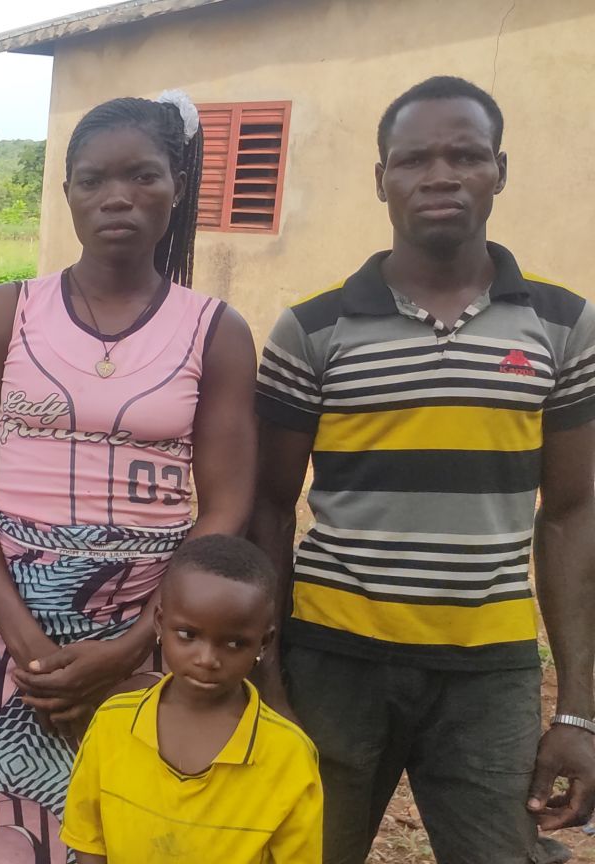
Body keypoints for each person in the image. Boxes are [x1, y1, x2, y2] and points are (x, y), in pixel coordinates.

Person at [250, 75, 595, 864]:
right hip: (333, 662)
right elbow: (267, 507)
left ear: (500, 171)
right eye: (413, 160)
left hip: (490, 673)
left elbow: (574, 512)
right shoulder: (312, 330)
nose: (440, 176)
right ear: (382, 179)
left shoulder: (564, 324)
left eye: (466, 155)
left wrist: (578, 710)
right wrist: (270, 680)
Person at [0, 93, 258, 862]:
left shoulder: (215, 330)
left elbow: (227, 504)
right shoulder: (6, 313)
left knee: (144, 833)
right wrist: (24, 643)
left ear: (177, 187)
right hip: (12, 635)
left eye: (143, 176)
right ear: (68, 192)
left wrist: (140, 643)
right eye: (93, 180)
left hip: (159, 629)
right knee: (11, 834)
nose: (118, 197)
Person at [62, 535, 321, 863]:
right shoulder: (113, 722)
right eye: (188, 635)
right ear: (160, 623)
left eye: (234, 644)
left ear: (264, 643)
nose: (207, 659)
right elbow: (87, 834)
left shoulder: (287, 754)